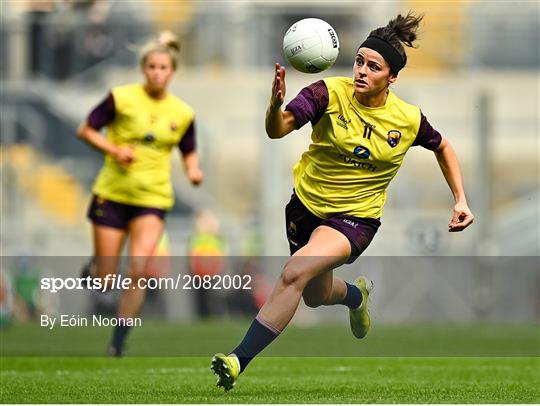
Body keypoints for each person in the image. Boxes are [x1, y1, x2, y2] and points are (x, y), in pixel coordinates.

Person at [211, 11, 474, 390]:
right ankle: (355, 295)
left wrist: (460, 199)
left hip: (355, 219)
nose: (362, 71)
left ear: (392, 78)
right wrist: (274, 105)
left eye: (374, 66)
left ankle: (238, 360)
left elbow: (442, 145)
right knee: (315, 295)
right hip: (305, 208)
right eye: (359, 61)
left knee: (293, 272)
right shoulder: (326, 94)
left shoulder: (407, 118)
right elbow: (278, 130)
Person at [78, 31, 203, 356]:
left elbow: (188, 149)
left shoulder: (183, 112)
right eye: (152, 67)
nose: (157, 73)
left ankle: (117, 343)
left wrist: (193, 170)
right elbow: (86, 129)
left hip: (152, 198)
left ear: (172, 71)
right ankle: (95, 269)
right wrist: (114, 149)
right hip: (113, 193)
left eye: (163, 67)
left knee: (139, 269)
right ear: (143, 68)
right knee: (105, 281)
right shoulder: (121, 98)